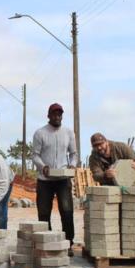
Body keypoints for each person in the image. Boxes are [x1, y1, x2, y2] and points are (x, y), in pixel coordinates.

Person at [32, 102, 77, 251]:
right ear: (49, 116)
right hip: (45, 180)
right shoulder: (40, 133)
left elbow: (74, 154)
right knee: (44, 212)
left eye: (59, 114)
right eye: (54, 114)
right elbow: (35, 156)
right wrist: (42, 167)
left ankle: (68, 242)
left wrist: (72, 165)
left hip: (63, 179)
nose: (57, 116)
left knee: (67, 210)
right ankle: (46, 242)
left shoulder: (69, 133)